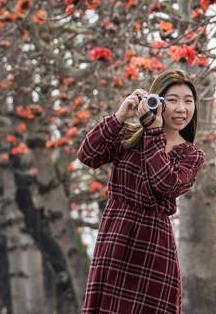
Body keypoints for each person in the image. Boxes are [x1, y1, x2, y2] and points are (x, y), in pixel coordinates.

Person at [77, 70, 205, 314]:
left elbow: (166, 183)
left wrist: (154, 131)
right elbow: (87, 155)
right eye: (173, 100)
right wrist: (119, 116)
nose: (182, 108)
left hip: (154, 249)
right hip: (114, 238)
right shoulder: (127, 137)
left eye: (188, 101)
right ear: (155, 101)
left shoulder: (191, 154)